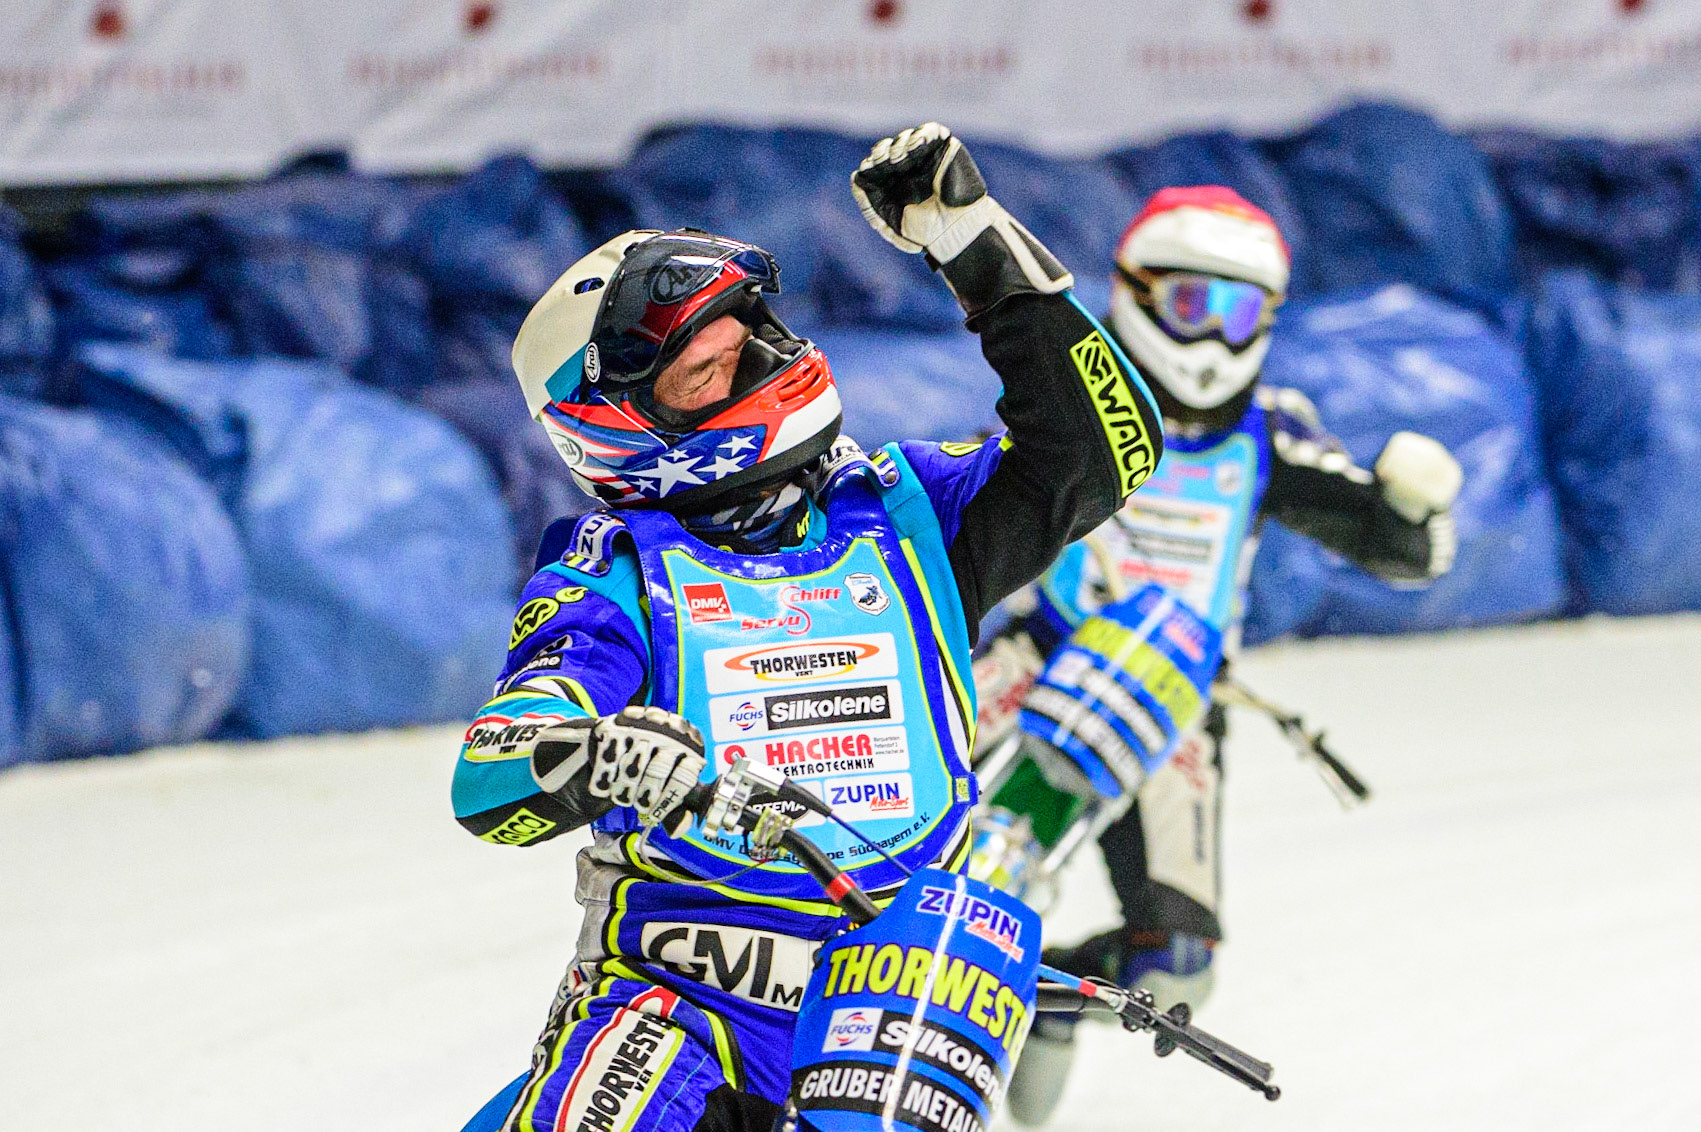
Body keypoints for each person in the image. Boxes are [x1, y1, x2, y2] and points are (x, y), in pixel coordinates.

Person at [450, 123, 1163, 1132]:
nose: (750, 376)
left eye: (747, 346)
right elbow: (493, 777)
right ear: (613, 423)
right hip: (678, 1014)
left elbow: (1106, 450)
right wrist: (599, 754)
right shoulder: (613, 567)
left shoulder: (908, 510)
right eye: (703, 374)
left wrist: (975, 244)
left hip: (896, 1006)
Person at [979, 185, 1463, 1123]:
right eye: (1191, 304)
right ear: (1135, 291)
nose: (1208, 339)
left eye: (1236, 312)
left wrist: (1413, 516)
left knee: (1180, 976)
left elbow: (1386, 541)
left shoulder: (1268, 430)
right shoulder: (1074, 407)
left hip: (1172, 711)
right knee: (935, 879)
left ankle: (1053, 996)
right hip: (1030, 673)